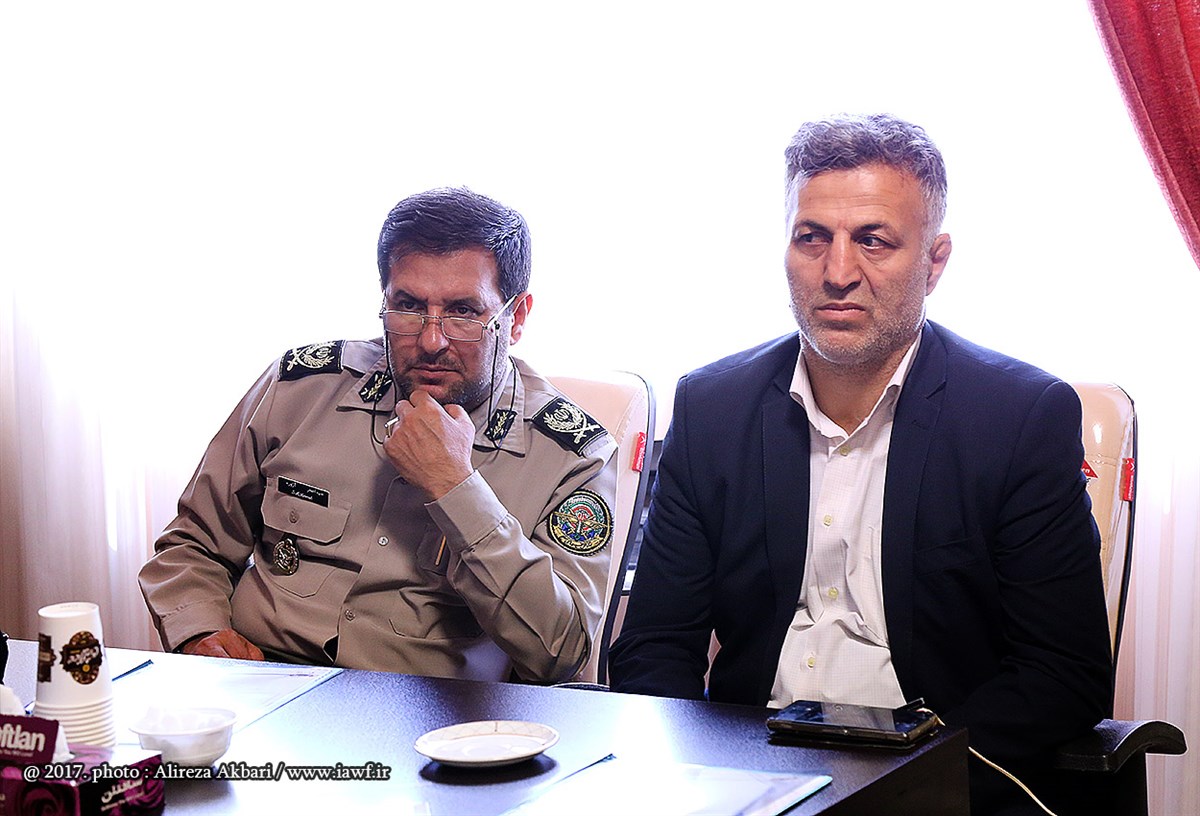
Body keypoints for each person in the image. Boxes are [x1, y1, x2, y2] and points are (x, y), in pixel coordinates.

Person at [608, 115, 1113, 812]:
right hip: (750, 780)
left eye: (873, 240)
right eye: (811, 237)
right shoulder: (711, 408)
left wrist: (900, 785)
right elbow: (655, 647)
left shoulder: (1019, 417)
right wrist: (699, 782)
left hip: (936, 783)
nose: (838, 272)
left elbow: (1064, 675)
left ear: (934, 261)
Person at [139, 187, 618, 684]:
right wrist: (201, 631)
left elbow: (560, 653)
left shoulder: (574, 455)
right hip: (260, 684)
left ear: (514, 318)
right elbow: (193, 544)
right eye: (408, 305)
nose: (431, 340)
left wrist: (457, 488)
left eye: (463, 311)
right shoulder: (300, 388)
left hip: (426, 711)